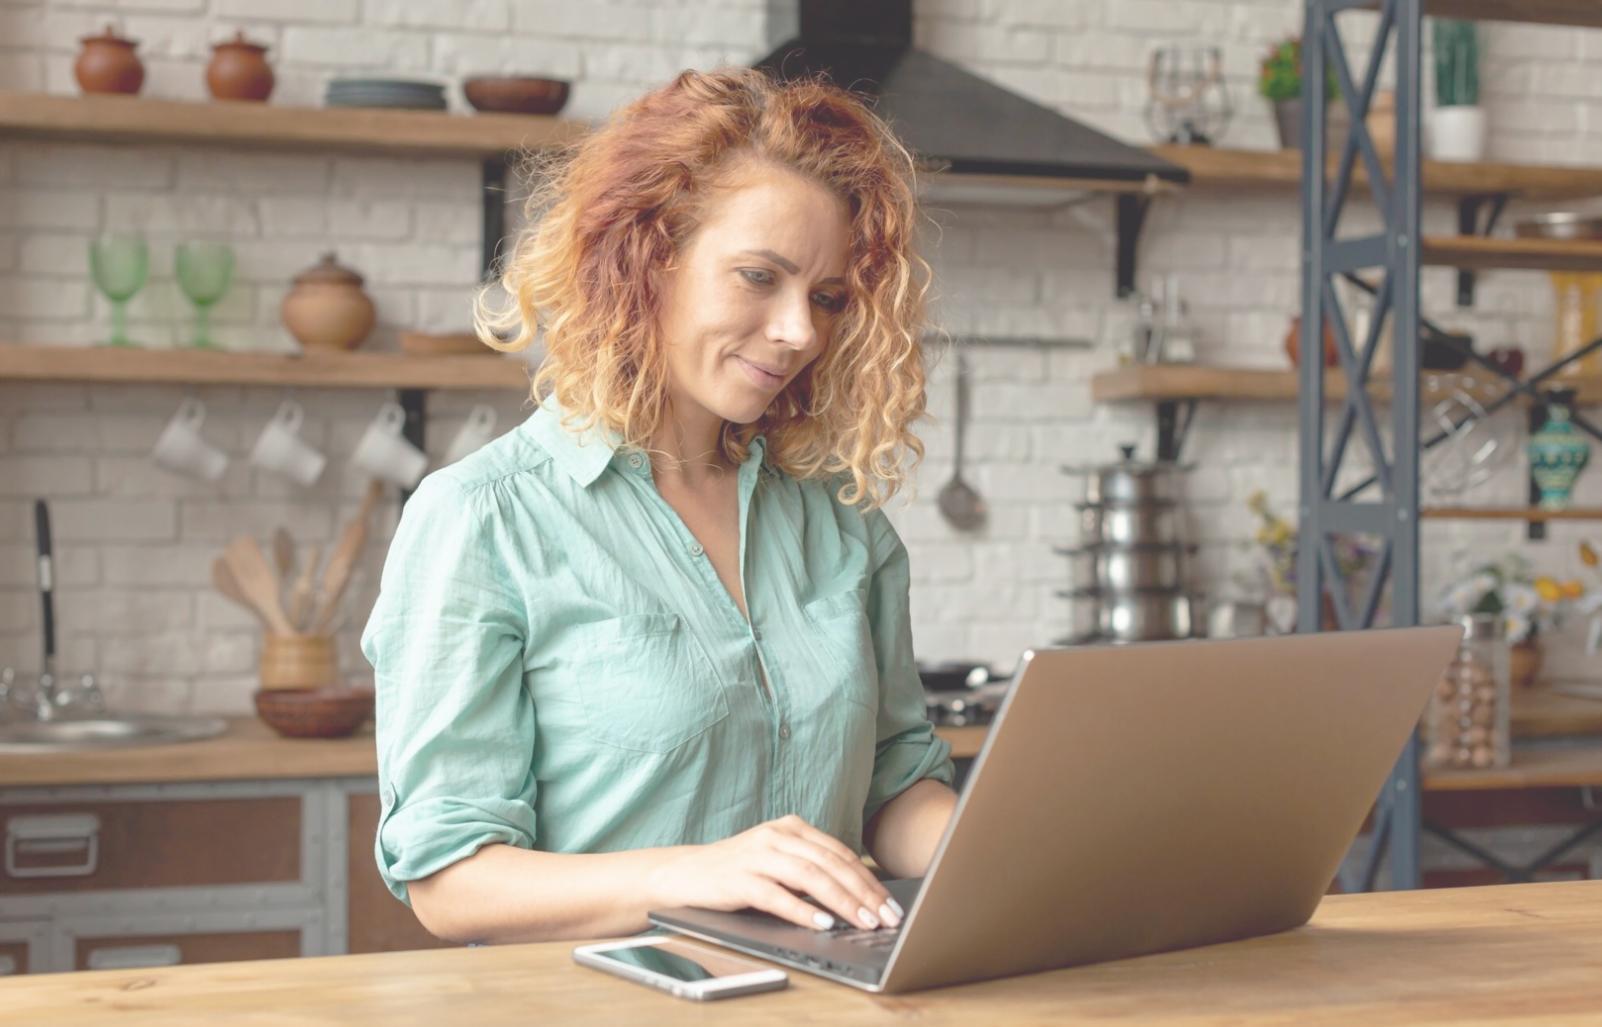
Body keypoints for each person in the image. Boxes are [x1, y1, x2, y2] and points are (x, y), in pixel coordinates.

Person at [360, 67, 957, 946]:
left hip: (819, 996)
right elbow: (450, 879)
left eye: (827, 298)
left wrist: (1023, 848)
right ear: (647, 259)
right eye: (759, 277)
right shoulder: (480, 520)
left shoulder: (838, 515)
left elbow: (893, 784)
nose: (800, 331)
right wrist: (691, 873)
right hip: (592, 998)